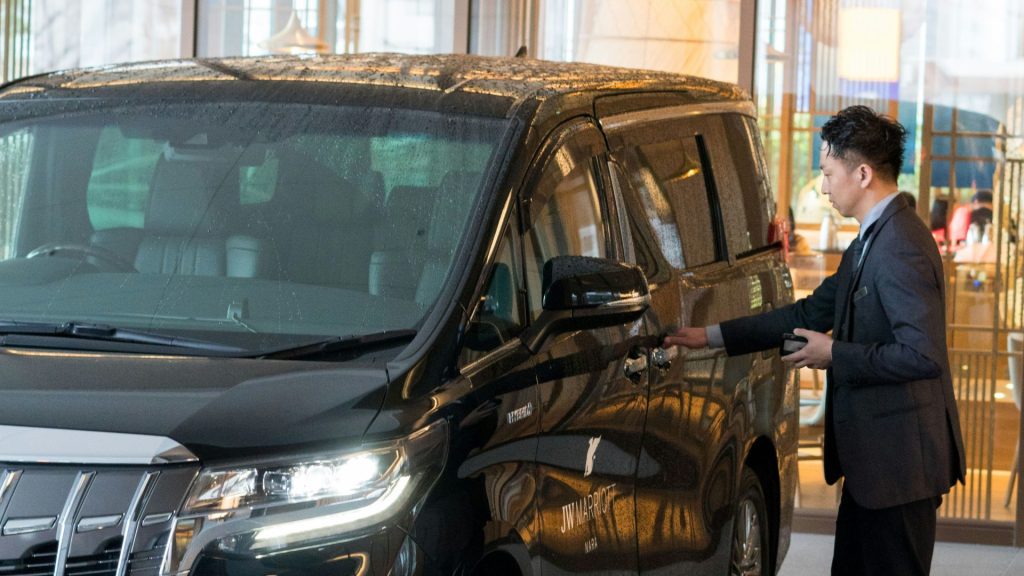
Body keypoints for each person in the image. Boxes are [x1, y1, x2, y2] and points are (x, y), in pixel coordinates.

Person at [663, 105, 966, 575]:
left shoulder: (900, 243)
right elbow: (808, 314)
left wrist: (834, 354)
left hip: (901, 468)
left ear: (862, 173)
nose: (823, 187)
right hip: (874, 466)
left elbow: (921, 354)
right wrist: (710, 336)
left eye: (828, 173)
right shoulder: (871, 238)